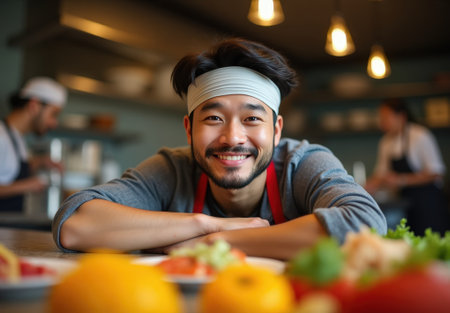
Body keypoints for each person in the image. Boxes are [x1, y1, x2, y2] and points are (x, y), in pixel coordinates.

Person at [53, 38, 386, 260]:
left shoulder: (302, 163)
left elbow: (364, 224)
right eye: (213, 117)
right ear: (189, 129)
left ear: (276, 130)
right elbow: (76, 223)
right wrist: (207, 224)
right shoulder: (173, 168)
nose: (232, 137)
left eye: (252, 118)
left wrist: (214, 244)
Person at [365, 98, 449, 235]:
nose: (382, 121)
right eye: (381, 117)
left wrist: (401, 180)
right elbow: (381, 173)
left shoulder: (420, 135)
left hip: (428, 203)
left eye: (386, 117)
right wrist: (366, 187)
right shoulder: (385, 142)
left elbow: (436, 172)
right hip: (405, 204)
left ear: (401, 116)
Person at [0, 77, 67, 213]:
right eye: (53, 114)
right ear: (34, 105)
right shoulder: (1, 136)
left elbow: (6, 170)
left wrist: (39, 162)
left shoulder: (17, 137)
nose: (54, 123)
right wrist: (28, 185)